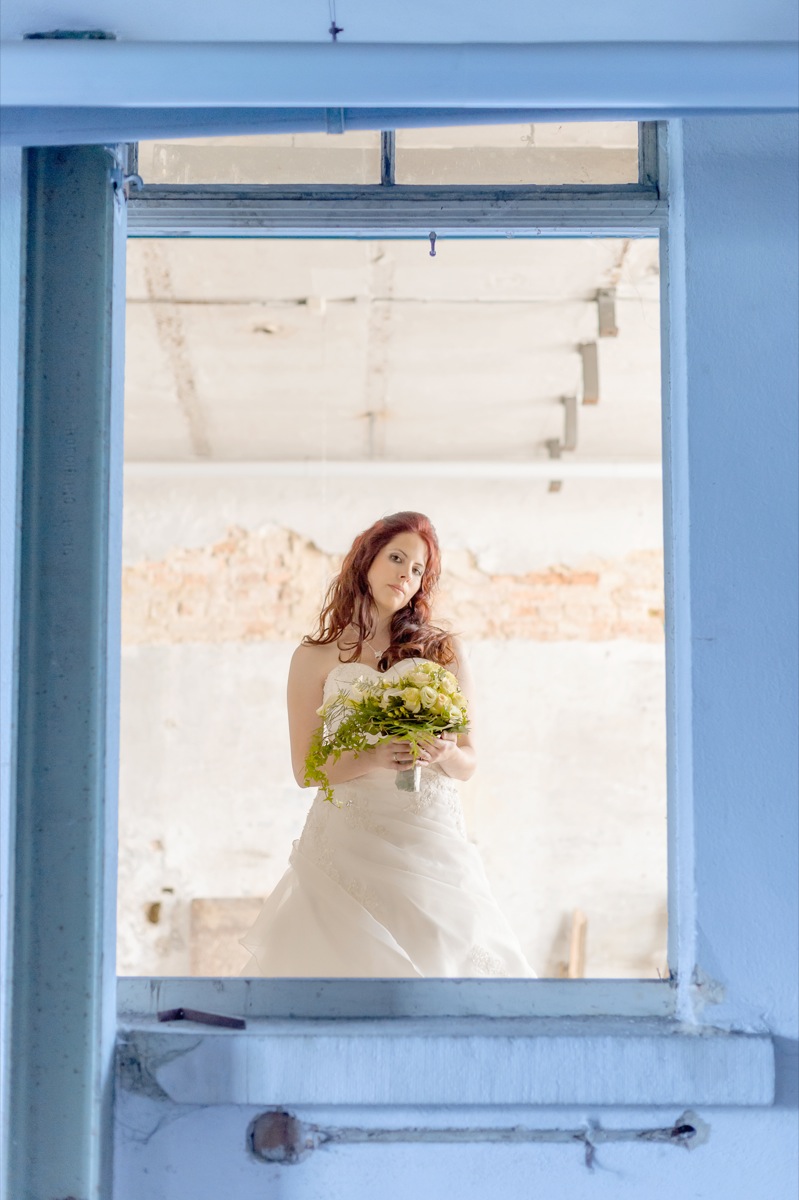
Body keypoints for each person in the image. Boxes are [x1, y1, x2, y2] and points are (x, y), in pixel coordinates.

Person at [240, 511, 535, 977]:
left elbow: (468, 760)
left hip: (428, 836)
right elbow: (305, 771)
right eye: (396, 558)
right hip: (348, 838)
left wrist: (445, 752)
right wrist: (373, 756)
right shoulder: (313, 657)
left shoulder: (443, 651)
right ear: (367, 559)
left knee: (445, 959)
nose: (405, 575)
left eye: (417, 570)